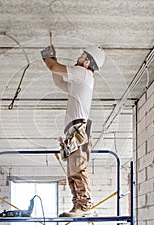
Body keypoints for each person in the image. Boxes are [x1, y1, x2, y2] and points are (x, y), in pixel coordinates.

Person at [41, 44, 105, 217]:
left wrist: (49, 58)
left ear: (87, 62)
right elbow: (58, 81)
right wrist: (52, 61)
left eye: (83, 56)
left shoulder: (84, 74)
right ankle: (78, 205)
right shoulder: (80, 82)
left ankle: (85, 205)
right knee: (72, 172)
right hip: (73, 132)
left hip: (79, 130)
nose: (79, 57)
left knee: (78, 169)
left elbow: (54, 67)